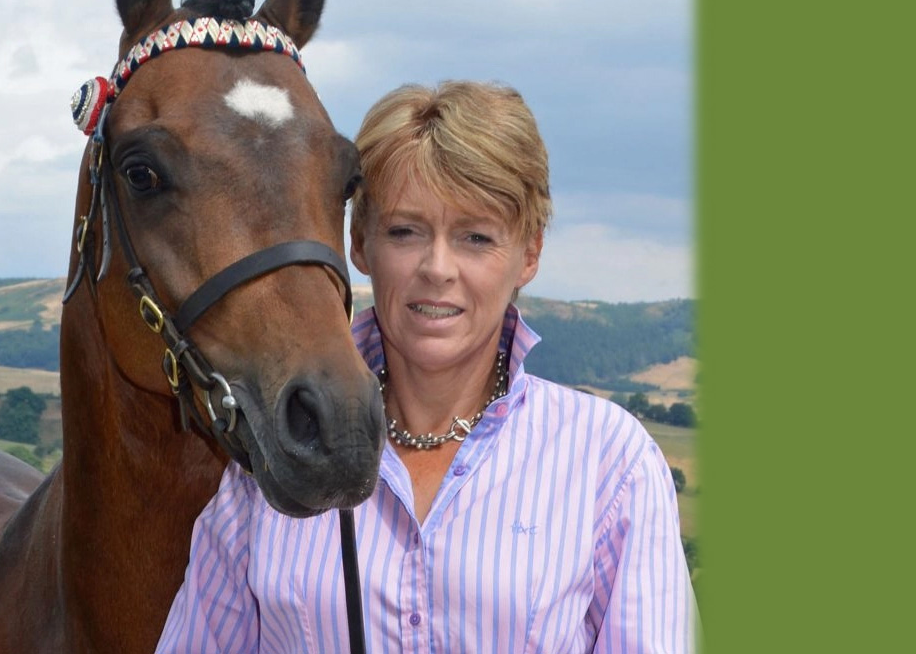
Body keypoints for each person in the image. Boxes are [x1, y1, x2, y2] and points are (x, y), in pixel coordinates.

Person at [157, 81, 698, 653]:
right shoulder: (280, 449)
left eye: (476, 237)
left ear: (529, 254)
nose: (438, 268)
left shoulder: (611, 462)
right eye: (405, 232)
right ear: (358, 243)